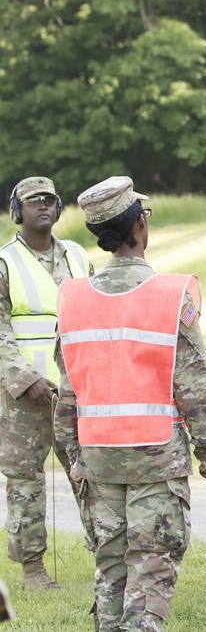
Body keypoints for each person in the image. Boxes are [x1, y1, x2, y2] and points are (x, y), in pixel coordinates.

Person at [53, 176, 206, 632]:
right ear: (140, 227)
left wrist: (73, 457)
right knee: (150, 568)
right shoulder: (170, 297)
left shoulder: (73, 297)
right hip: (156, 459)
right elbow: (193, 384)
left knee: (110, 568)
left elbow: (68, 388)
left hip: (97, 457)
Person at [1, 176, 92, 589]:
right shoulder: (4, 263)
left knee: (90, 473)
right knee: (25, 481)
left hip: (78, 389)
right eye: (33, 201)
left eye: (50, 200)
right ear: (16, 211)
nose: (43, 206)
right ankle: (33, 570)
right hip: (24, 397)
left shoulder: (77, 256)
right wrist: (25, 378)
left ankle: (106, 554)